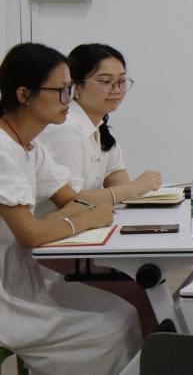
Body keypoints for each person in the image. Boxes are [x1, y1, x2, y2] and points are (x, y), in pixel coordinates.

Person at [0, 42, 141, 374]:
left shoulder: (30, 147)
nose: (70, 98)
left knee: (126, 313)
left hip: (24, 275)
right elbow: (30, 233)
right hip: (8, 287)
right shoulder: (3, 148)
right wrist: (87, 218)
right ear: (24, 94)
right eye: (62, 91)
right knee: (109, 332)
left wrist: (86, 210)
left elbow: (71, 199)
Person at [37, 43, 162, 335]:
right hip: (54, 249)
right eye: (105, 81)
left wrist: (129, 189)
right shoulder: (65, 130)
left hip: (85, 239)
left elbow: (117, 176)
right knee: (146, 291)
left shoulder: (97, 125)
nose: (116, 90)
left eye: (122, 81)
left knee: (154, 284)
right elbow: (72, 201)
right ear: (76, 87)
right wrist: (135, 188)